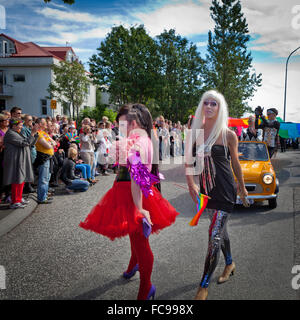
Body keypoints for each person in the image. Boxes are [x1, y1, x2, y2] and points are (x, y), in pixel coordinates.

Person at [79, 103, 180, 300]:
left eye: (123, 123)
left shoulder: (140, 142)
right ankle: (133, 264)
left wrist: (140, 208)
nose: (120, 126)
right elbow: (125, 170)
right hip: (125, 190)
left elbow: (138, 179)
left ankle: (146, 288)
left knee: (140, 242)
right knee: (135, 237)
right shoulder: (138, 138)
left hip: (135, 195)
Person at [185, 90, 248, 300]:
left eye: (214, 103)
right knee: (220, 232)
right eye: (206, 103)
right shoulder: (195, 132)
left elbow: (235, 163)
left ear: (220, 108)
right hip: (206, 191)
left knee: (214, 236)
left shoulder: (228, 134)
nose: (210, 106)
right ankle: (229, 263)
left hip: (225, 190)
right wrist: (191, 184)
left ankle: (203, 286)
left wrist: (242, 186)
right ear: (202, 106)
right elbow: (188, 163)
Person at [3, 118, 39, 209]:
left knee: (21, 179)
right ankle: (15, 201)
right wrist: (32, 133)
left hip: (20, 160)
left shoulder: (17, 132)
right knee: (16, 180)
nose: (21, 126)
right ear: (14, 126)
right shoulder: (10, 133)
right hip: (15, 160)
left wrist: (35, 135)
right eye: (20, 125)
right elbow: (25, 143)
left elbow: (30, 143)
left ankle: (19, 198)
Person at [34, 118, 55, 204]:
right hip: (43, 158)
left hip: (49, 157)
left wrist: (51, 143)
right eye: (44, 123)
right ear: (39, 124)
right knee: (43, 179)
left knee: (47, 178)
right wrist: (51, 143)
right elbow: (48, 146)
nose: (46, 124)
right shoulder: (38, 133)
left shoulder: (44, 133)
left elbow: (54, 142)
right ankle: (41, 198)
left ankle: (44, 195)